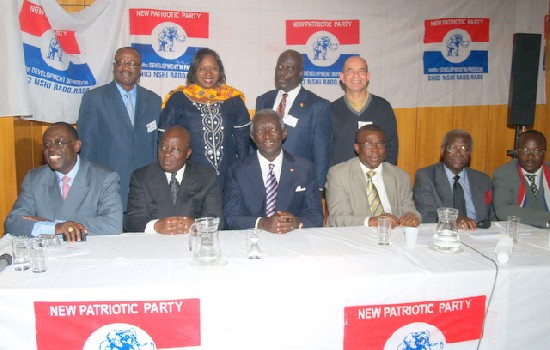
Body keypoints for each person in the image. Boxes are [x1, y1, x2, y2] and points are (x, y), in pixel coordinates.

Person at [4, 122, 123, 241]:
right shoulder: (34, 179)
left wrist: (57, 225)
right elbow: (13, 222)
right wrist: (56, 227)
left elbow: (113, 224)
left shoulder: (104, 178)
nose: (51, 149)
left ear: (76, 145)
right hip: (48, 254)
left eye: (59, 143)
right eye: (47, 144)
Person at [77, 47, 161, 212]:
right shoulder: (94, 99)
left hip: (146, 190)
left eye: (132, 64)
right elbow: (87, 148)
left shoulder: (153, 100)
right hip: (109, 188)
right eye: (121, 62)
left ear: (139, 69)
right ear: (114, 66)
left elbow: (155, 145)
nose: (126, 67)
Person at [158, 48, 250, 187]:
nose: (208, 73)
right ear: (194, 71)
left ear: (220, 72)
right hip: (190, 178)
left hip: (228, 177)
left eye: (213, 68)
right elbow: (163, 138)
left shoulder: (233, 99)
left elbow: (242, 141)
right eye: (203, 68)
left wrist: (243, 173)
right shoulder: (179, 99)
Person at [223, 109, 323, 233]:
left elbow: (316, 215)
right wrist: (262, 223)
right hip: (253, 239)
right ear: (252, 136)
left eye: (273, 130)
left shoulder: (305, 168)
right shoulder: (237, 171)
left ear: (284, 133)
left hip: (293, 240)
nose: (267, 136)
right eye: (260, 131)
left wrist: (296, 223)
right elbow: (231, 218)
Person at [125, 126, 222, 234]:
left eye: (174, 149)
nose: (166, 154)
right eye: (163, 148)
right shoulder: (141, 177)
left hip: (192, 244)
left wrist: (197, 226)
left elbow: (217, 220)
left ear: (188, 153)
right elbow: (132, 221)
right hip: (153, 246)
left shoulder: (206, 177)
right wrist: (156, 226)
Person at [256, 49, 331, 187]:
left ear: (300, 73)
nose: (282, 73)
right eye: (280, 68)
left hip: (299, 182)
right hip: (264, 180)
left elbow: (321, 154)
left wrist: (319, 189)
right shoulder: (263, 100)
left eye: (289, 69)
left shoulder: (317, 106)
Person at [325, 125, 419, 228]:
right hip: (355, 235)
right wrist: (372, 221)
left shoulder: (401, 176)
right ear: (357, 148)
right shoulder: (339, 175)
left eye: (380, 144)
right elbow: (339, 219)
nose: (375, 149)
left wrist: (412, 216)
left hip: (394, 234)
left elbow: (410, 209)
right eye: (368, 144)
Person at [413, 129, 495, 229]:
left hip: (479, 234)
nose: (458, 153)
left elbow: (492, 217)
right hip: (445, 234)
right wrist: (454, 220)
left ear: (470, 153)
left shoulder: (483, 180)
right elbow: (426, 214)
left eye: (464, 148)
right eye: (452, 147)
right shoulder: (427, 176)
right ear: (442, 151)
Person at [330, 55, 398, 167]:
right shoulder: (332, 110)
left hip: (375, 178)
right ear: (342, 77)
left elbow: (391, 148)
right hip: (342, 180)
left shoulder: (383, 108)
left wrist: (381, 176)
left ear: (367, 76)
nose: (356, 76)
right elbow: (327, 151)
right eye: (350, 71)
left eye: (361, 71)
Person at [493, 130, 550, 228]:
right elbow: (503, 210)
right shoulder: (504, 173)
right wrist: (546, 220)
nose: (530, 156)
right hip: (519, 232)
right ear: (517, 152)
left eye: (536, 151)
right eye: (524, 150)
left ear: (544, 152)